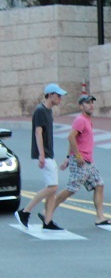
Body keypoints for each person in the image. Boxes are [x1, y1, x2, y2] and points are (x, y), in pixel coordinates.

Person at [48, 95, 111, 228]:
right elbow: (70, 137)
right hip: (81, 161)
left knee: (99, 185)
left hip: (89, 162)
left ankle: (100, 218)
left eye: (91, 103)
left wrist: (67, 157)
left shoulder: (87, 120)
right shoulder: (80, 120)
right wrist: (76, 156)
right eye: (87, 103)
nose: (91, 105)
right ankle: (47, 211)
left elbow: (75, 139)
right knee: (71, 189)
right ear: (81, 106)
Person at [17, 83, 67, 230]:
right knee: (52, 187)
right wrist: (42, 155)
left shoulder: (48, 111)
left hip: (48, 153)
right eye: (58, 96)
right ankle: (25, 212)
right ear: (50, 95)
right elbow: (38, 133)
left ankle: (47, 221)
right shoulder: (40, 111)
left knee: (52, 188)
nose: (60, 99)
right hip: (44, 154)